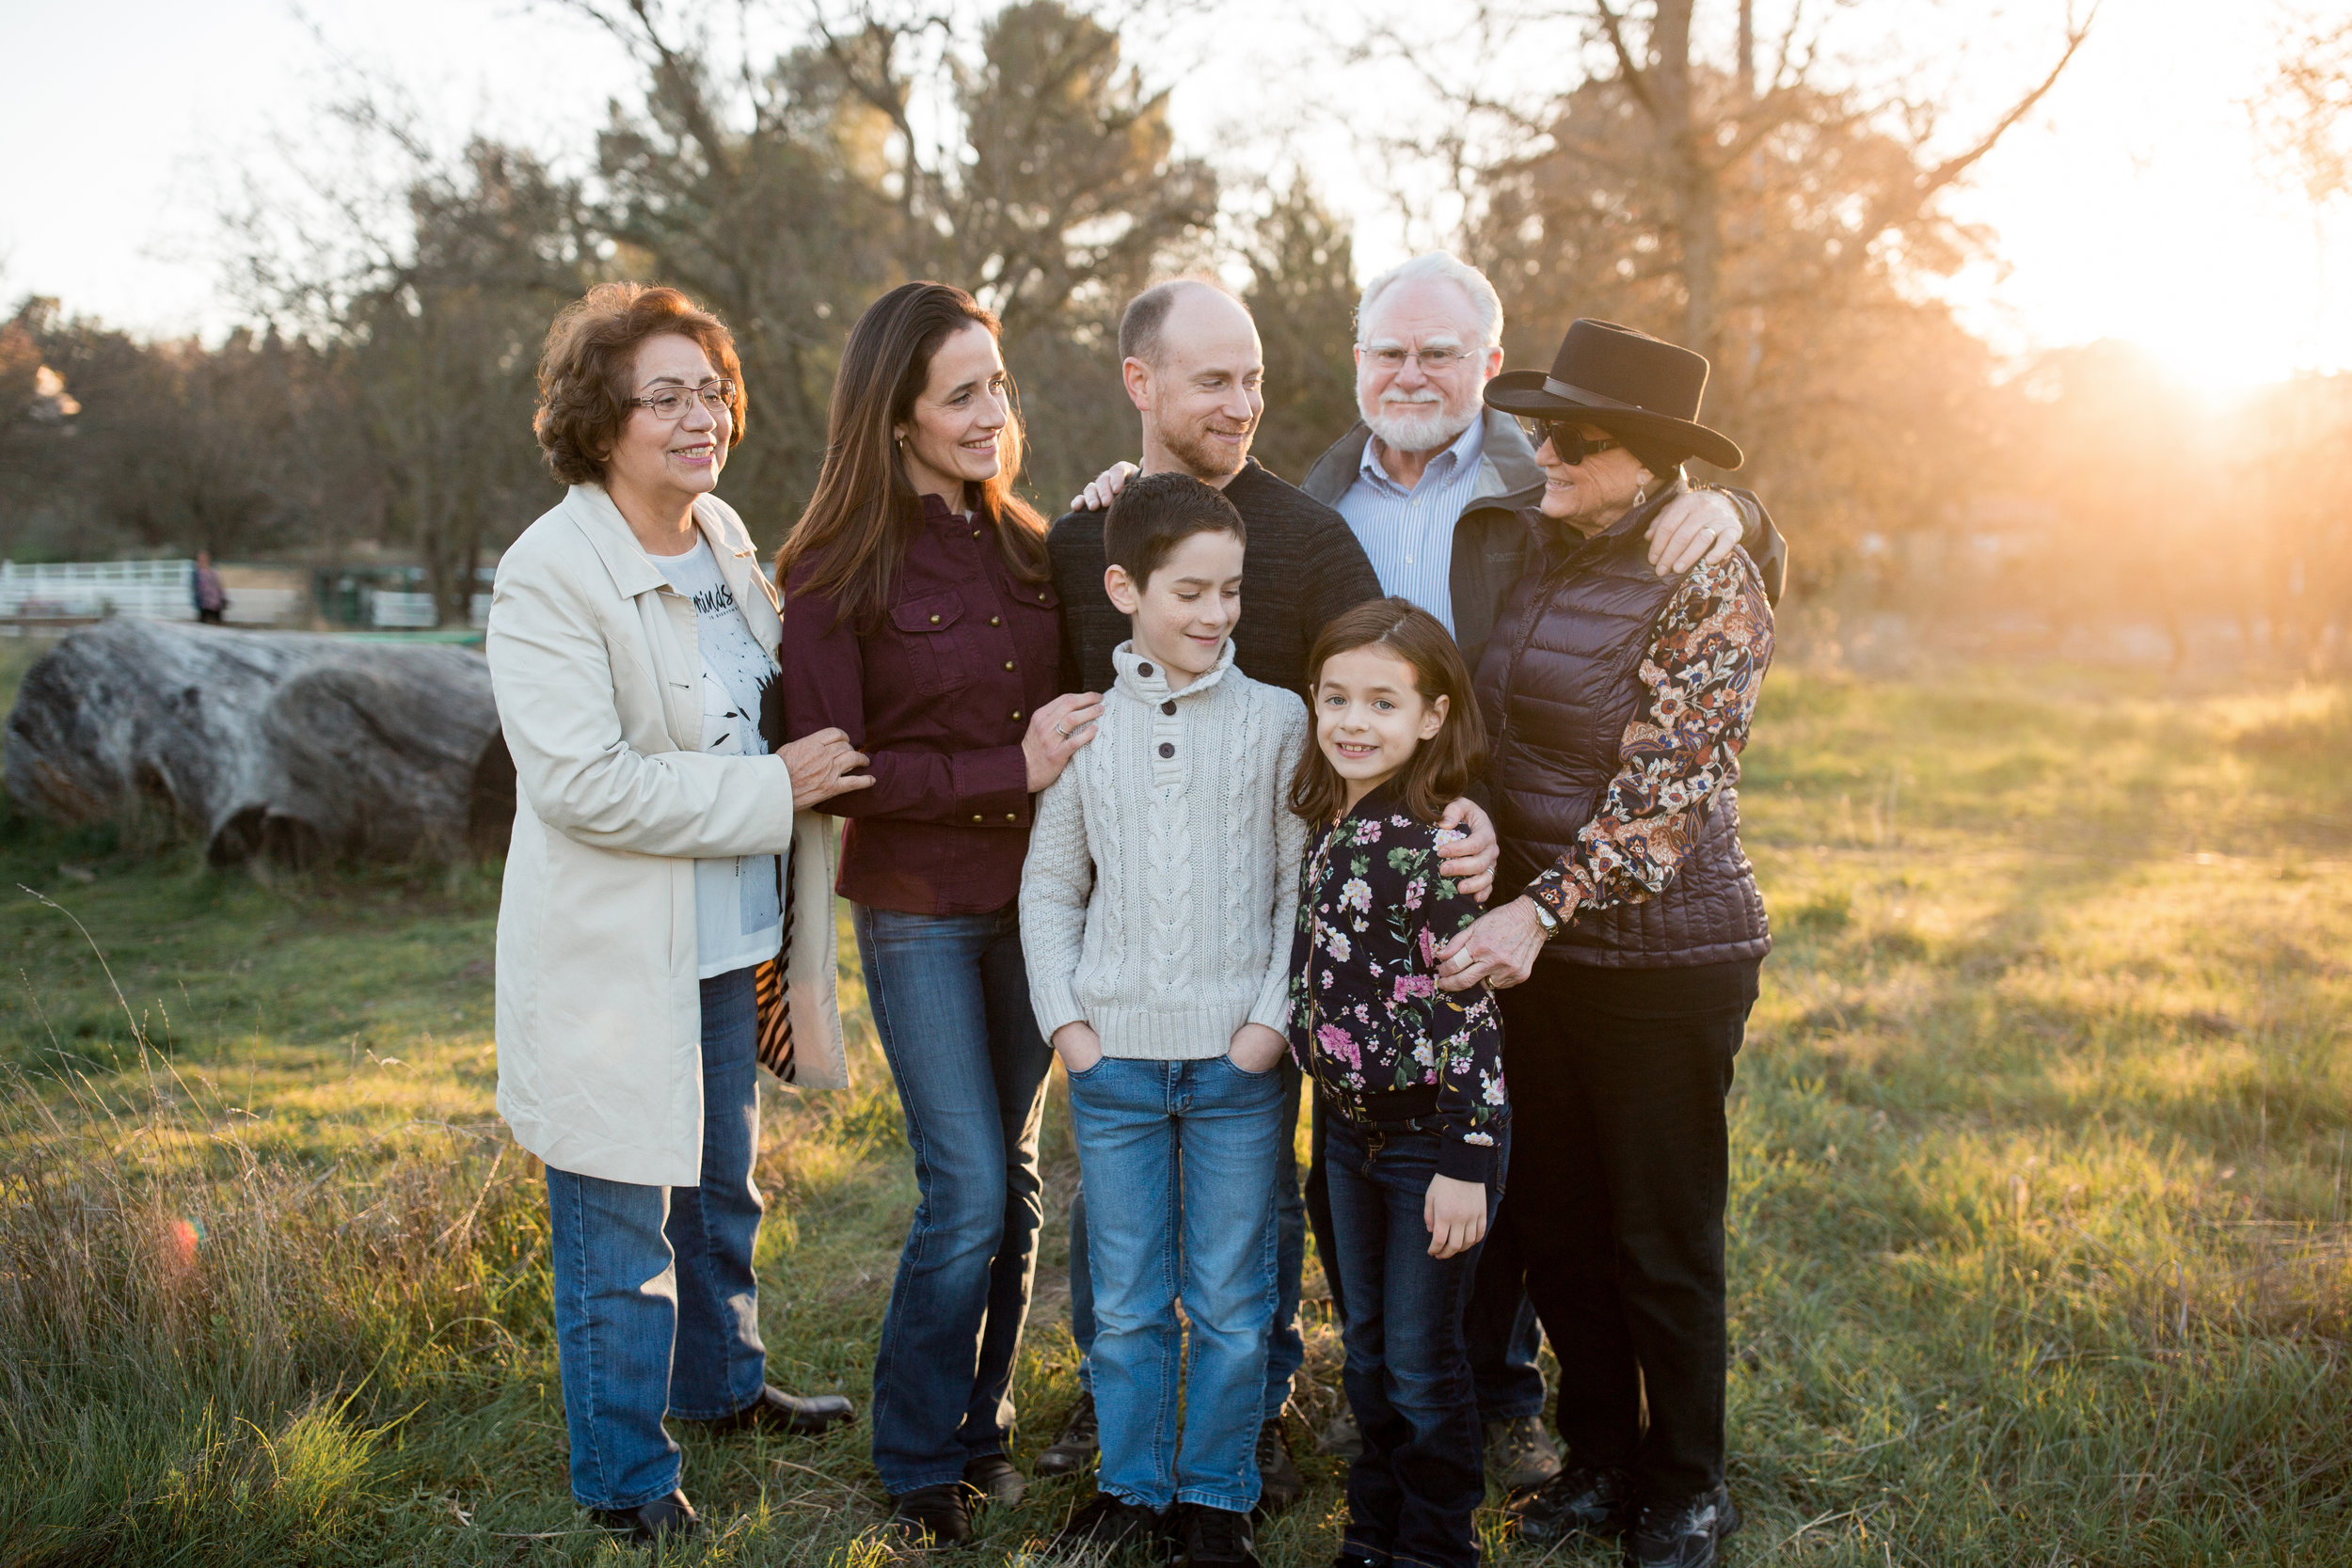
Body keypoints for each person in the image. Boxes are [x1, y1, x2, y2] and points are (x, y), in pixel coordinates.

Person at [1069, 256, 1783, 1490]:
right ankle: (1430, 1398)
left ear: (1487, 367)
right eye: (1387, 353)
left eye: (1440, 353)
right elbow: (1191, 547)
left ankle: (1565, 1429)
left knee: (1564, 1187)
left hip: (1542, 895)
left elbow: (1679, 693)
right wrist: (1122, 501)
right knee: (1453, 1173)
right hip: (1384, 880)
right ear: (1354, 368)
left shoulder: (1548, 489)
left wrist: (1742, 507)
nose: (1411, 374)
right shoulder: (1342, 497)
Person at [1034, 277, 1499, 1508]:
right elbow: (1060, 718)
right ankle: (1112, 1408)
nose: (1244, 403)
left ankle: (1260, 1407)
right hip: (1123, 946)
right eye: (1213, 381)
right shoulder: (1084, 538)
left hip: (1267, 942)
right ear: (1141, 386)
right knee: (1116, 1213)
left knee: (1251, 1209)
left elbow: (1382, 694)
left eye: (1253, 379)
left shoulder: (1307, 540)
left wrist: (1456, 810)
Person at [485, 281, 867, 1546]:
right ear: (604, 423)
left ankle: (721, 1384)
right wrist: (776, 786)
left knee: (717, 1191)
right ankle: (625, 1475)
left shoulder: (724, 537)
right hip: (609, 957)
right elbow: (582, 783)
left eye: (714, 389)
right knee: (617, 1223)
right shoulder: (551, 571)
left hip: (727, 938)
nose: (702, 415)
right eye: (668, 394)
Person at [1437, 318, 1775, 1568]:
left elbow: (1666, 804)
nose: (1545, 450)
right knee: (1559, 1223)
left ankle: (1688, 1482)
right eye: (1538, 427)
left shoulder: (1708, 577)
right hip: (1542, 950)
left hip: (1664, 963)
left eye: (1574, 436)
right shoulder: (1538, 544)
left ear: (1646, 459)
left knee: (1659, 1233)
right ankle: (1600, 1455)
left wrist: (1536, 905)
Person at [772, 281, 1104, 1547]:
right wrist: (1004, 768)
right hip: (916, 906)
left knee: (1016, 1181)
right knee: (963, 1182)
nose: (991, 412)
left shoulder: (1038, 549)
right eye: (961, 393)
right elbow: (837, 764)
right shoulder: (831, 568)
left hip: (1037, 906)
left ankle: (983, 1426)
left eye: (999, 386)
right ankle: (913, 1452)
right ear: (897, 414)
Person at [1021, 471, 1309, 1568]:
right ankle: (1129, 1487)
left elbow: (1298, 884)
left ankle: (1216, 1495)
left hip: (1240, 1062)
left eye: (1230, 591)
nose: (1214, 614)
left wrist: (1268, 1022)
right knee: (1131, 1300)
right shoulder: (1089, 729)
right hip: (1118, 1065)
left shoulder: (1277, 720)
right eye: (1190, 590)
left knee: (1236, 1300)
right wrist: (1070, 1026)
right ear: (1124, 588)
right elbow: (1051, 889)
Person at [1286, 597, 1507, 1568]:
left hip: (1431, 1141)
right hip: (1345, 1133)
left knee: (1421, 1361)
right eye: (1335, 696)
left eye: (1382, 700)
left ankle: (1435, 1542)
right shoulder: (1329, 821)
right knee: (1368, 1350)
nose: (1352, 720)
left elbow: (1472, 1013)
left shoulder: (1433, 848)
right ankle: (1370, 1530)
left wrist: (1465, 1158)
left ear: (1431, 715)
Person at [191, 550, 228, 625]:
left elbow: (218, 586)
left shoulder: (213, 572)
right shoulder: (196, 573)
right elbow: (195, 588)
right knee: (203, 623)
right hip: (204, 603)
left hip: (216, 603)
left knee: (216, 622)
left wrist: (222, 598)